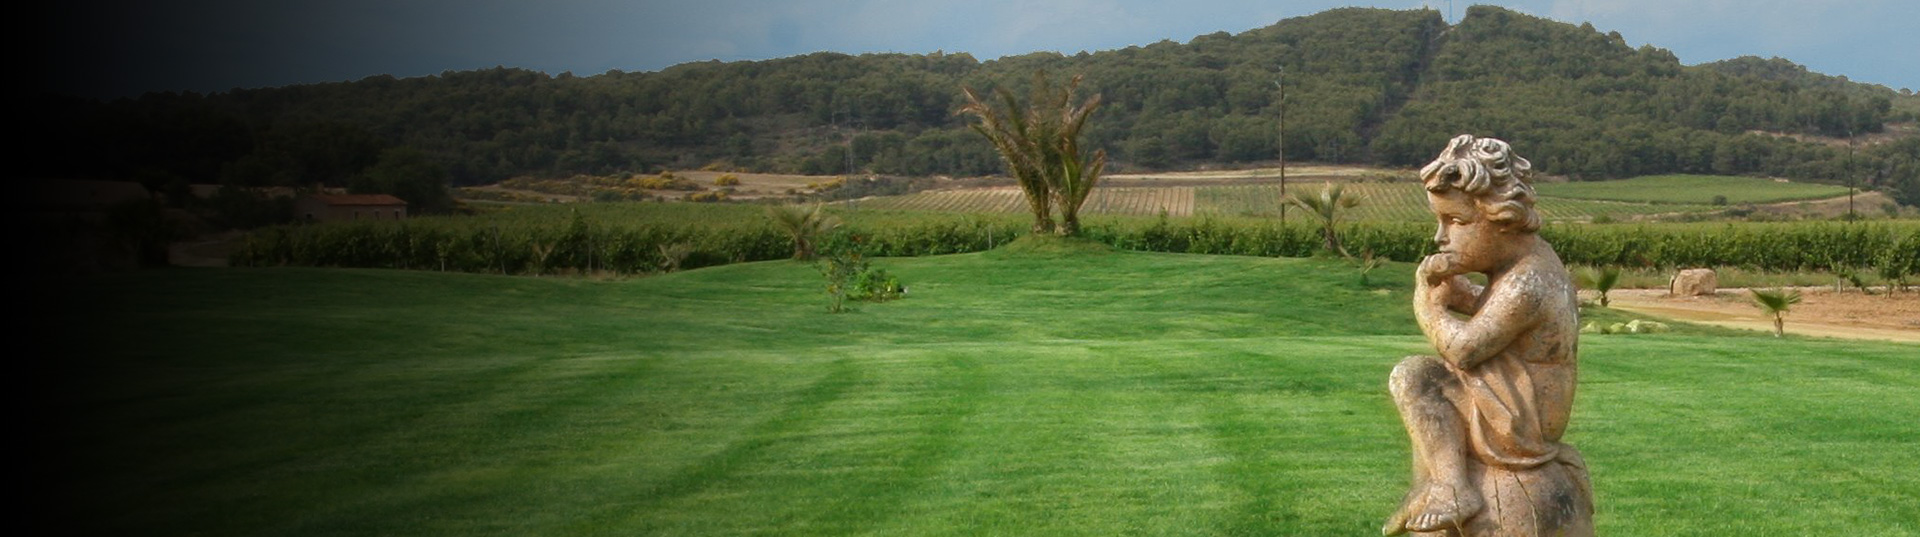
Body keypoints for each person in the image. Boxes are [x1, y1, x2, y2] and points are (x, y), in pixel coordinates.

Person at [1383, 135, 1583, 535]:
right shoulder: (1528, 266)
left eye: (1455, 222)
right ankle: (1442, 484)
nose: (1441, 238)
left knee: (1415, 377)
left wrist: (1428, 304)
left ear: (1502, 219)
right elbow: (1505, 322)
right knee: (1428, 386)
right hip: (1518, 411)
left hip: (1519, 427)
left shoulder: (1528, 282)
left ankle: (1454, 487)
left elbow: (1465, 350)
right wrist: (1465, 295)